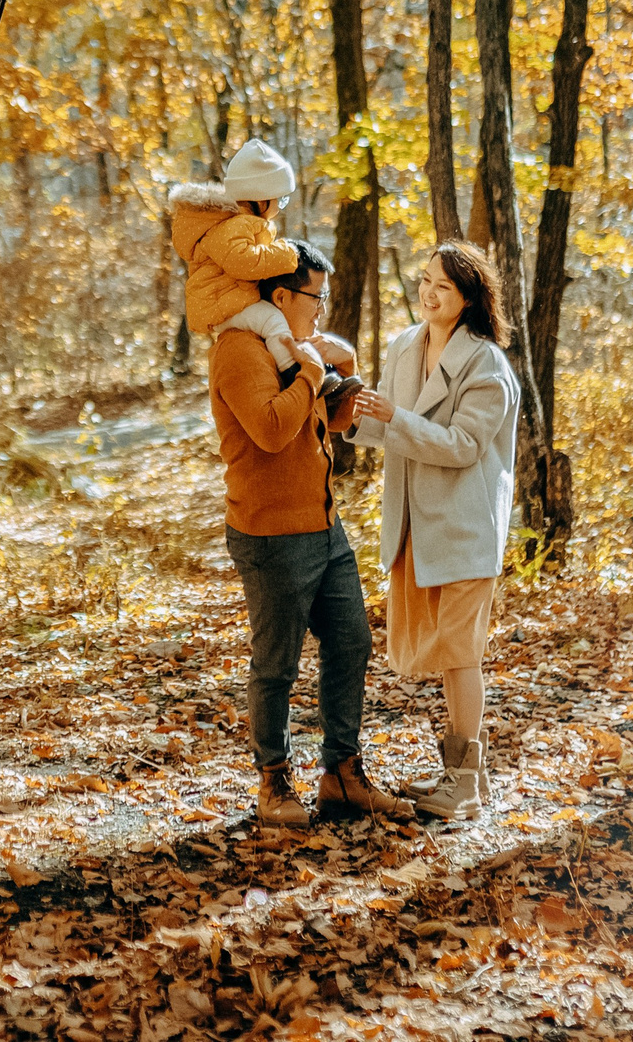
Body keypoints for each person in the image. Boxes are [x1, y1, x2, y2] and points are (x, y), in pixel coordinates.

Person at [210, 238, 415, 827]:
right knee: (276, 664)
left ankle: (341, 774)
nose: (322, 309)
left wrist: (343, 369)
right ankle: (273, 782)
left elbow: (338, 418)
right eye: (315, 298)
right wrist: (310, 372)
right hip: (271, 533)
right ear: (281, 296)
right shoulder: (239, 351)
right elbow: (273, 429)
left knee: (351, 642)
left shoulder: (294, 349)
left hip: (324, 525)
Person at [352, 240, 521, 821]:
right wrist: (344, 410)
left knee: (461, 653)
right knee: (446, 652)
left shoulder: (487, 364)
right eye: (425, 280)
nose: (428, 293)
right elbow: (383, 424)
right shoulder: (405, 345)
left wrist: (393, 418)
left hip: (465, 526)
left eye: (442, 286)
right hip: (414, 525)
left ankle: (465, 784)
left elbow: (464, 446)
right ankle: (461, 776)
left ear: (468, 297)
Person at [170, 139, 304, 367]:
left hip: (227, 299)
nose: (281, 207)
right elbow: (244, 262)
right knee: (272, 321)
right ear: (261, 200)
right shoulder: (235, 225)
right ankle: (292, 369)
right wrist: (287, 254)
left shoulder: (238, 224)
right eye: (281, 199)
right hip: (221, 304)